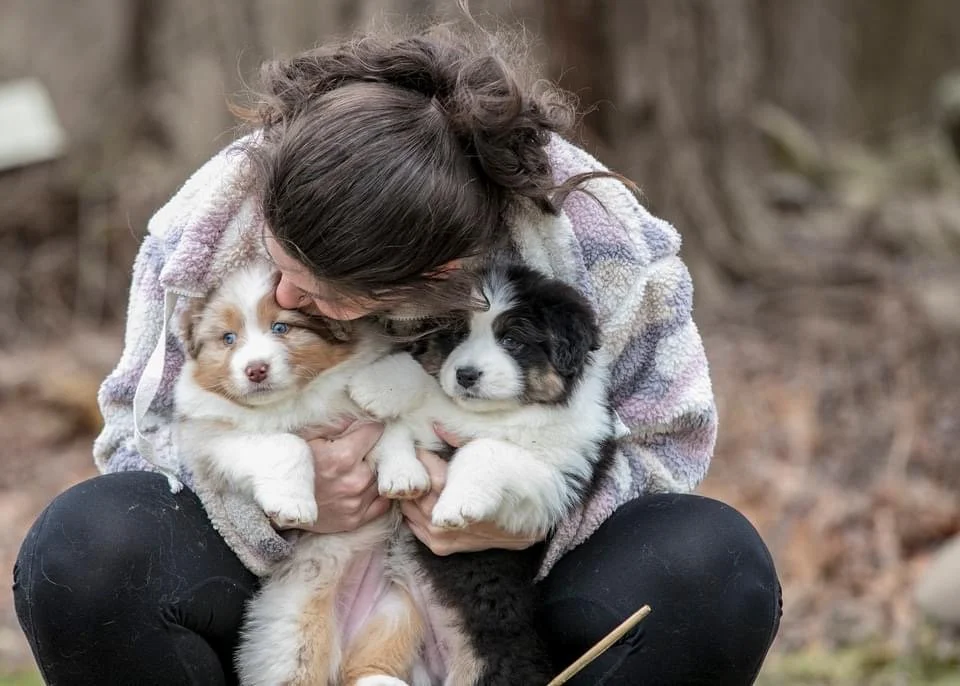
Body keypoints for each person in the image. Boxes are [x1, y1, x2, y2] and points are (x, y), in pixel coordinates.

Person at [12, 18, 781, 686]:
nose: (283, 298)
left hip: (503, 591)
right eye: (279, 261)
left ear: (440, 279)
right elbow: (132, 439)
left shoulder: (607, 242)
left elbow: (670, 445)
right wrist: (279, 502)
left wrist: (529, 521)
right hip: (290, 582)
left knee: (714, 566)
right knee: (88, 547)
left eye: (321, 294)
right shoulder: (208, 222)